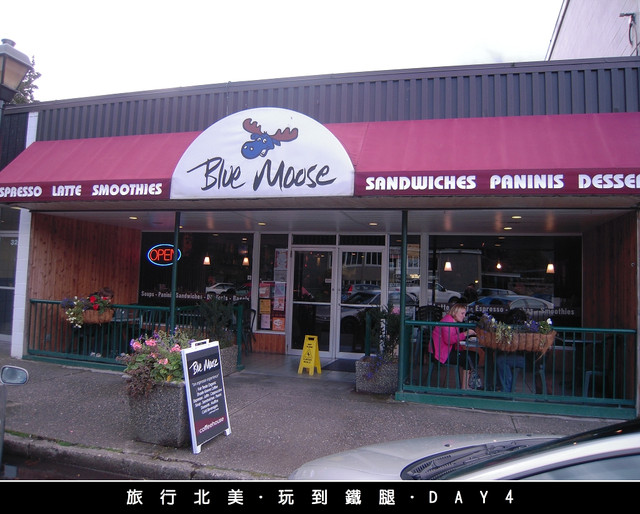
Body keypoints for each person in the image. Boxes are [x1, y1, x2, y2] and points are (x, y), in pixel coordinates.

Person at [430, 303, 476, 389]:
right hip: (441, 354)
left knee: (473, 355)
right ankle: (465, 387)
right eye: (462, 313)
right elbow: (448, 340)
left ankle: (467, 385)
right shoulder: (447, 321)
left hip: (445, 351)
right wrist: (465, 334)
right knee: (470, 357)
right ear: (455, 313)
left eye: (465, 314)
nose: (464, 316)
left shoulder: (451, 321)